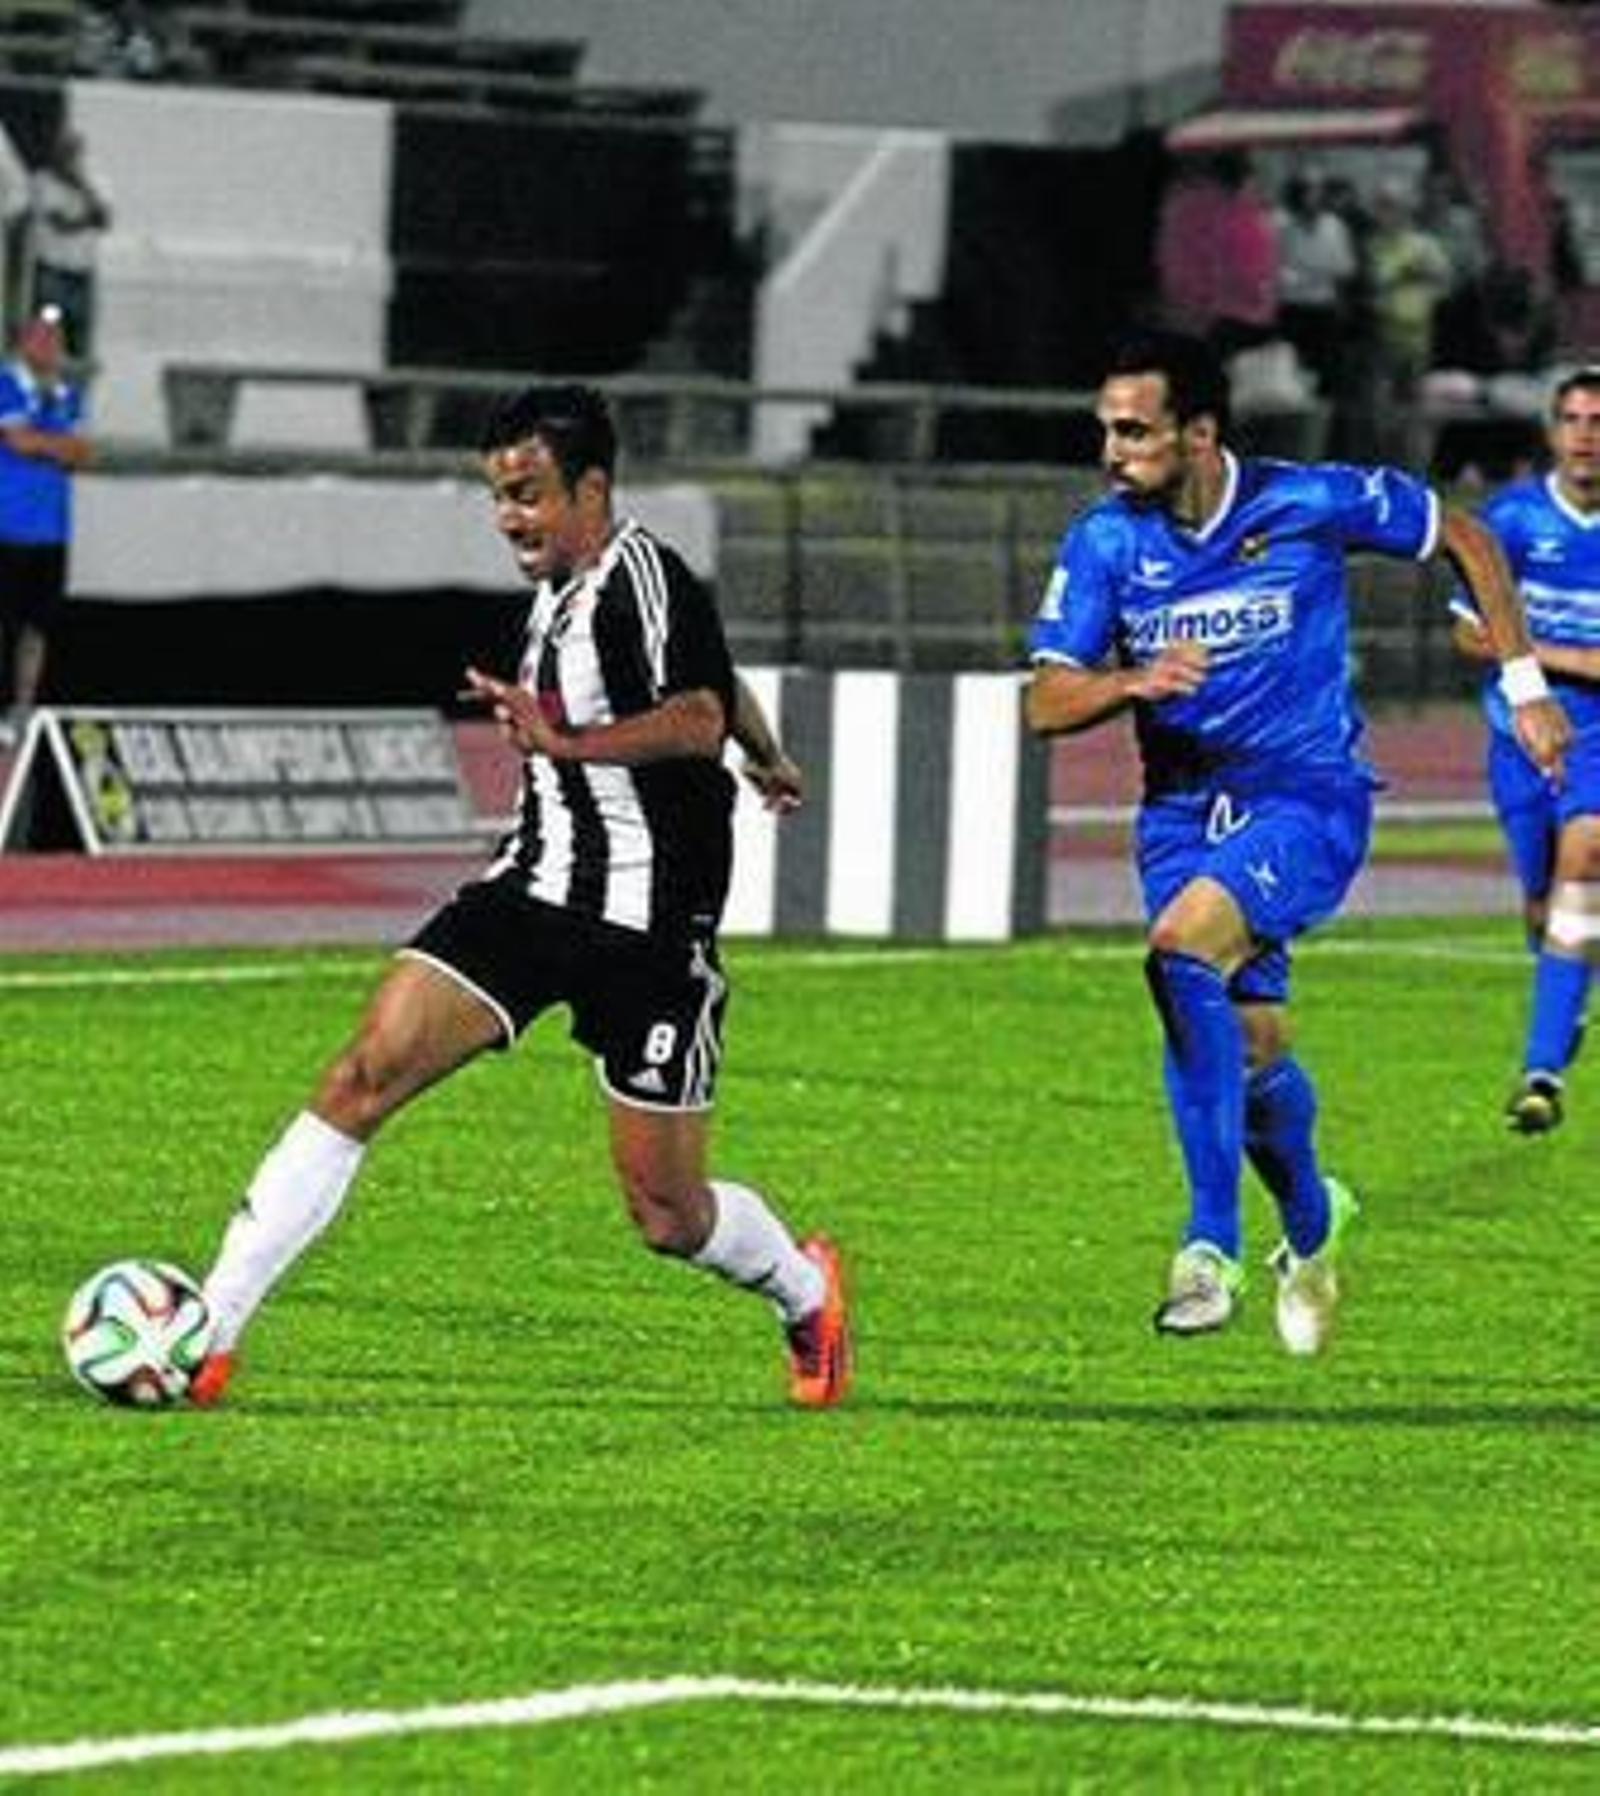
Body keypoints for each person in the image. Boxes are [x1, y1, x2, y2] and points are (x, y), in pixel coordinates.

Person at [188, 383, 851, 1410]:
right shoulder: (559, 594)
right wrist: (767, 756)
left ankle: (805, 1290)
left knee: (668, 1214)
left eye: (530, 493)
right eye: (499, 495)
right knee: (364, 1072)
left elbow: (694, 711)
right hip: (534, 893)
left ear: (593, 489)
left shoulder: (646, 577)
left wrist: (570, 742)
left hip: (650, 934)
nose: (510, 517)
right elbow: (721, 689)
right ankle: (207, 1332)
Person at [1024, 329, 1567, 1353]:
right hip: (1181, 812)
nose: (1111, 451)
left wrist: (1524, 683)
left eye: (1133, 431)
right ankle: (1314, 1224)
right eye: (1106, 429)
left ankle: (1208, 1246)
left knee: (1179, 948)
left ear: (1198, 432)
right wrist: (1130, 680)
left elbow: (1465, 536)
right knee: (1253, 1047)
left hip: (1305, 795)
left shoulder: (1305, 499)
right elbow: (1045, 701)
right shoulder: (1104, 543)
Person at [1451, 368, 1600, 1134]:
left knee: (1588, 856)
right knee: (1545, 906)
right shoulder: (1510, 520)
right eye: (1572, 420)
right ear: (1551, 431)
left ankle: (1541, 1072)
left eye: (1598, 422)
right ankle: (1564, 1002)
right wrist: (1560, 658)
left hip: (1596, 737)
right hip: (1519, 733)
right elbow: (1468, 632)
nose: (1586, 436)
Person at [0, 306, 91, 737]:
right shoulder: (6, 384)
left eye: (55, 338)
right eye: (40, 336)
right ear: (23, 342)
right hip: (7, 529)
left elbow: (80, 454)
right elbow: (18, 441)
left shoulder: (68, 394)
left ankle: (22, 712)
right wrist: (53, 444)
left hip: (50, 533)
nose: (48, 345)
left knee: (37, 629)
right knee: (4, 625)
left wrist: (44, 443)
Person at [28, 127, 112, 361]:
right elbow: (61, 224)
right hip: (52, 272)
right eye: (63, 153)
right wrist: (90, 218)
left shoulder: (96, 182)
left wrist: (83, 188)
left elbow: (105, 220)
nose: (67, 159)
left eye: (72, 153)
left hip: (82, 272)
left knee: (79, 334)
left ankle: (74, 377)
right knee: (46, 330)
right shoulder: (43, 182)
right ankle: (38, 372)